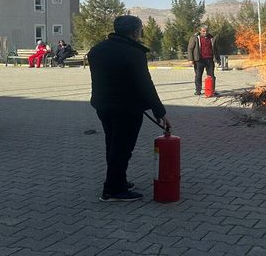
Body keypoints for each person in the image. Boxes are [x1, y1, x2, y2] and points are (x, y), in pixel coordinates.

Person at [88, 15, 171, 202]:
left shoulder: (97, 50)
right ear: (135, 32)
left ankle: (119, 181)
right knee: (122, 149)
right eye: (140, 30)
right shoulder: (134, 53)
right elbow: (145, 85)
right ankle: (113, 190)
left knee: (113, 145)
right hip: (126, 110)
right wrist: (160, 112)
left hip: (103, 106)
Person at [187, 25, 219, 96]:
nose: (205, 32)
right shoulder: (195, 38)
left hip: (209, 60)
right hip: (199, 60)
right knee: (198, 76)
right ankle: (198, 90)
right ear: (200, 31)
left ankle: (212, 90)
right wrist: (190, 59)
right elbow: (190, 49)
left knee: (211, 76)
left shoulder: (212, 38)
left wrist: (218, 59)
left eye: (206, 31)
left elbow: (216, 49)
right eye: (203, 31)